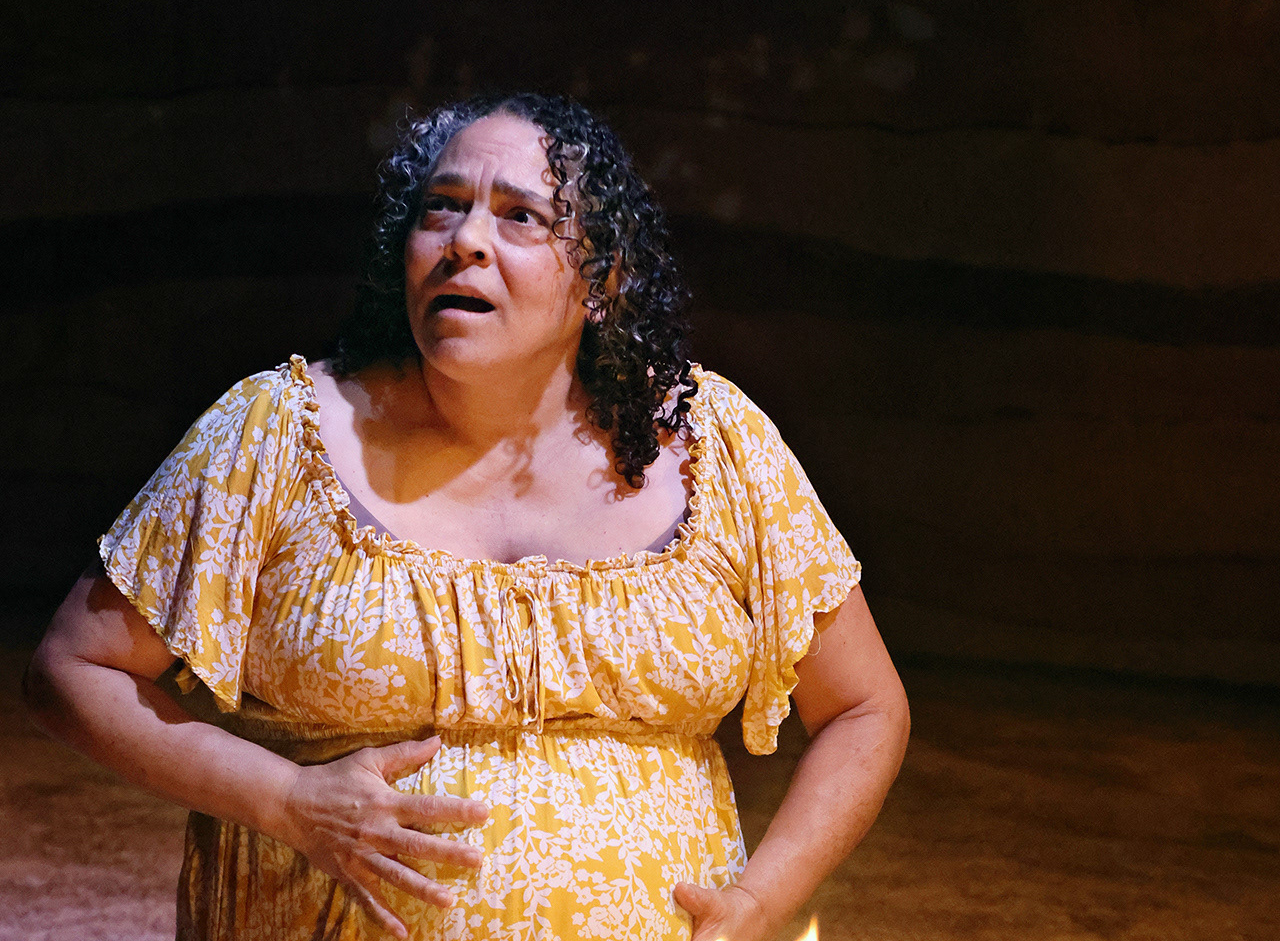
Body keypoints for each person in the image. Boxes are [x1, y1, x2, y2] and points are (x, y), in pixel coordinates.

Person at [24, 92, 910, 941]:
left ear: (601, 280)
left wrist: (758, 900)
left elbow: (864, 707)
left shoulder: (713, 443)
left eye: (520, 216)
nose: (465, 242)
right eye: (441, 209)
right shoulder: (278, 435)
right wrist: (287, 802)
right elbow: (73, 668)